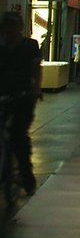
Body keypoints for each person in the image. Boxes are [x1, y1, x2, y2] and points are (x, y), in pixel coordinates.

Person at [0, 10, 42, 195]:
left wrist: (35, 89)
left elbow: (36, 71)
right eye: (6, 25)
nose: (9, 30)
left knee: (18, 136)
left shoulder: (30, 46)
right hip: (3, 94)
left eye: (13, 25)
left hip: (23, 96)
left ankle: (26, 177)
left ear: (20, 27)